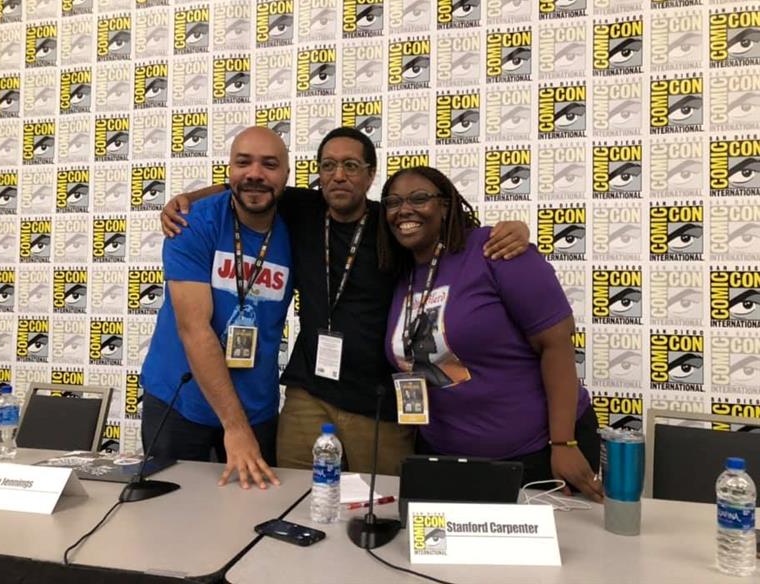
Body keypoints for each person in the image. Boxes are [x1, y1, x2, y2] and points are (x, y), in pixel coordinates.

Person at [161, 128, 530, 476]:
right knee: (293, 502)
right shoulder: (301, 209)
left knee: (378, 509)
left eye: (351, 166)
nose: (339, 175)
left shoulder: (394, 223)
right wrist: (185, 200)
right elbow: (247, 184)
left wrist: (514, 230)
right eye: (328, 166)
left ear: (370, 176)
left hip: (379, 401)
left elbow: (446, 234)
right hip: (308, 394)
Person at [378, 166, 603, 501]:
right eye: (393, 202)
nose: (404, 210)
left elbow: (556, 345)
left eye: (420, 198)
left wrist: (563, 442)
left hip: (536, 453)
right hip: (449, 460)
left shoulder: (494, 249)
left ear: (446, 206)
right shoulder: (403, 274)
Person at [140, 127, 293, 490]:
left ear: (287, 175)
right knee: (171, 514)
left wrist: (244, 424)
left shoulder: (299, 224)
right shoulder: (191, 224)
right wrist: (235, 428)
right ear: (229, 170)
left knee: (248, 522)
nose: (255, 173)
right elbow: (194, 329)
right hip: (180, 403)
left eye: (269, 164)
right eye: (243, 163)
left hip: (256, 406)